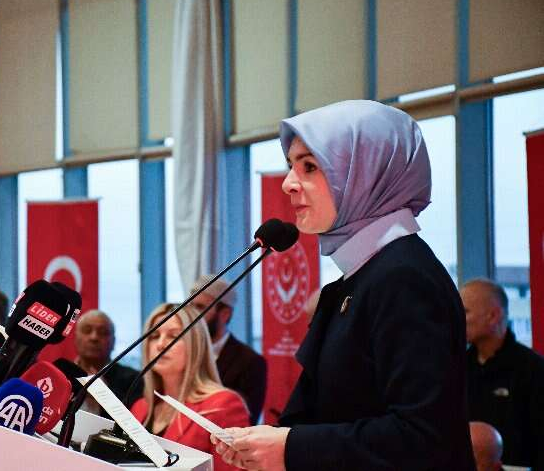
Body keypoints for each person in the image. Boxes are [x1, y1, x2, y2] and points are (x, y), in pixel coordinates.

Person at [212, 100, 475, 470]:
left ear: (364, 172)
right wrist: (265, 444)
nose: (288, 184)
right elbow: (331, 413)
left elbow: (423, 438)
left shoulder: (404, 279)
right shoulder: (358, 277)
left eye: (309, 166)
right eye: (291, 166)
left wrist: (290, 448)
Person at [131, 303, 249, 471]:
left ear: (196, 345)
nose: (160, 344)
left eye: (173, 336)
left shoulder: (223, 405)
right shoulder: (140, 407)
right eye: (154, 336)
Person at [462, 278, 544, 468]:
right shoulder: (458, 367)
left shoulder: (532, 370)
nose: (458, 318)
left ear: (493, 316)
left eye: (465, 311)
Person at [189, 275, 267, 423]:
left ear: (224, 314)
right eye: (190, 307)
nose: (192, 315)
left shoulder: (250, 362)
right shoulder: (181, 352)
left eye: (199, 307)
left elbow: (246, 421)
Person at [74, 309, 143, 416]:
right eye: (87, 330)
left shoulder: (134, 380)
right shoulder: (63, 374)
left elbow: (135, 420)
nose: (94, 337)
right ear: (76, 338)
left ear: (113, 341)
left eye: (103, 332)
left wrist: (104, 395)